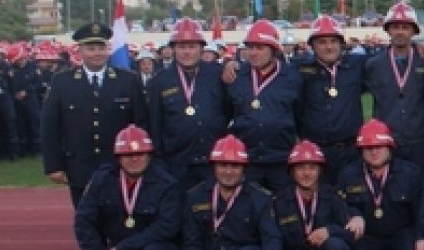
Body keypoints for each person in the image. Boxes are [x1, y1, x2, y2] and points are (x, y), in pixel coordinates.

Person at [73, 125, 182, 250]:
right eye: (128, 155)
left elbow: (167, 226)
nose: (134, 159)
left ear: (149, 155)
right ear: (118, 157)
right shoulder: (102, 179)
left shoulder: (167, 183)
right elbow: (83, 221)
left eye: (140, 153)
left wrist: (122, 249)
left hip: (155, 248)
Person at [169, 134, 282, 250]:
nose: (229, 171)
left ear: (244, 168)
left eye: (235, 166)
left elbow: (272, 240)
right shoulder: (195, 196)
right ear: (214, 166)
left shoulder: (260, 198)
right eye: (223, 165)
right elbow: (191, 243)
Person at [41, 22, 149, 206]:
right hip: (79, 167)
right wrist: (53, 166)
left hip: (120, 167)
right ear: (80, 51)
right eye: (91, 49)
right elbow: (50, 127)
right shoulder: (62, 82)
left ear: (108, 49)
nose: (97, 53)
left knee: (122, 217)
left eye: (101, 48)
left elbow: (141, 123)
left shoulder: (128, 80)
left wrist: (141, 160)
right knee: (86, 217)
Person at [269, 140, 360, 250]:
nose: (307, 173)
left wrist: (329, 231)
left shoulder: (333, 196)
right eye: (301, 168)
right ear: (292, 172)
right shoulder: (278, 201)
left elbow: (350, 233)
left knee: (337, 247)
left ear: (320, 171)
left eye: (312, 168)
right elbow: (272, 241)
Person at [338, 119, 423, 250]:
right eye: (368, 148)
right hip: (369, 235)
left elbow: (420, 211)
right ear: (361, 150)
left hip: (401, 232)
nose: (374, 152)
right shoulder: (347, 175)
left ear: (390, 148)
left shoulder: (410, 174)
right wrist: (353, 215)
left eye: (379, 147)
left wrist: (421, 238)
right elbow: (340, 206)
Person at [148, 18, 231, 193]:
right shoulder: (159, 81)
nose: (187, 52)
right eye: (181, 47)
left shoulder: (217, 74)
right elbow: (155, 126)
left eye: (192, 47)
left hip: (213, 162)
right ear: (173, 49)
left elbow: (230, 111)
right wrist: (159, 162)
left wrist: (234, 64)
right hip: (176, 165)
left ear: (201, 49)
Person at [226, 19, 302, 191]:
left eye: (260, 48)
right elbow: (227, 113)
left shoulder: (293, 77)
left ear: (274, 50)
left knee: (285, 204)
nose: (253, 53)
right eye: (250, 47)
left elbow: (300, 114)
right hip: (247, 160)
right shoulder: (236, 75)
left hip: (282, 160)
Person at [295, 15, 367, 181]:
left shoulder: (358, 65)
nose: (329, 47)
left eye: (334, 41)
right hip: (314, 153)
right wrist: (236, 66)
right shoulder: (299, 69)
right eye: (322, 42)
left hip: (351, 152)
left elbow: (391, 56)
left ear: (341, 44)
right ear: (312, 45)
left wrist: (415, 46)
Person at [364, 2, 424, 172]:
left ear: (414, 31)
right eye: (395, 27)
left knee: (420, 184)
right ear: (388, 30)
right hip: (386, 141)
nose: (400, 31)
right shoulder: (373, 65)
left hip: (419, 142)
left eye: (405, 27)